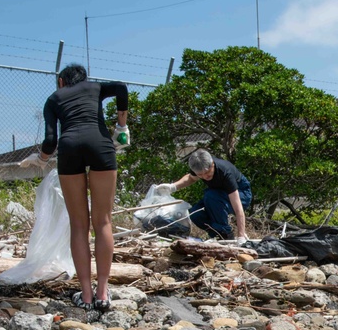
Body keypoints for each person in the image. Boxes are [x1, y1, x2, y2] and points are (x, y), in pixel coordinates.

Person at [20, 63, 129, 312]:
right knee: (103, 222)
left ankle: (87, 295)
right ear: (84, 79)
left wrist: (41, 159)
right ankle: (103, 293)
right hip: (100, 145)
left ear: (61, 81)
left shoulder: (54, 98)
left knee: (79, 224)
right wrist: (121, 125)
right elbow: (122, 88)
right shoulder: (95, 87)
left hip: (70, 149)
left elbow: (50, 140)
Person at [156, 149, 251, 242]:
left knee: (210, 196)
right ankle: (216, 235)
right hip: (218, 195)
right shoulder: (198, 167)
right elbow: (190, 178)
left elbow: (238, 208)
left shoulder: (225, 173)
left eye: (207, 173)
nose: (205, 177)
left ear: (212, 164)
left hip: (242, 193)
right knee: (196, 214)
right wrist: (173, 187)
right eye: (200, 175)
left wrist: (241, 235)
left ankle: (225, 234)